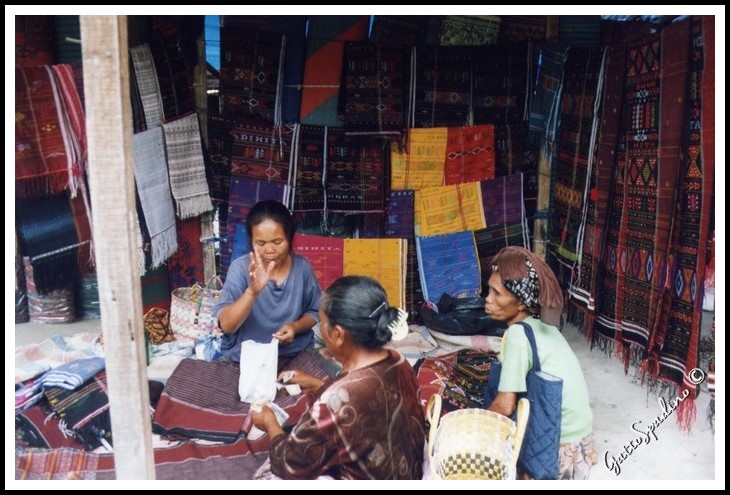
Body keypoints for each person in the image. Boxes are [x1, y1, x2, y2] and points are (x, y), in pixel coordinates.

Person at [251, 275, 425, 480]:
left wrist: (269, 421)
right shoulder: (399, 360)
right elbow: (368, 402)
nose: (321, 330)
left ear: (339, 335)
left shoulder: (335, 401)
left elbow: (289, 465)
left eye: (323, 324)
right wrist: (318, 386)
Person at [484, 246, 596, 480]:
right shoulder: (543, 326)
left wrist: (475, 427)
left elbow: (505, 406)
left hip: (558, 445)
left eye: (497, 293)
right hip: (582, 441)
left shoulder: (517, 336)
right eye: (489, 291)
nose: (488, 299)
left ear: (522, 302)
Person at [214, 200, 322, 362]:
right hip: (247, 357)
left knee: (324, 385)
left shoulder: (302, 267)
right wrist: (252, 292)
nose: (270, 250)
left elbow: (314, 311)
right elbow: (227, 326)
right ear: (251, 241)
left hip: (295, 353)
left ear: (290, 238)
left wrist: (295, 327)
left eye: (277, 242)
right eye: (261, 243)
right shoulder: (240, 269)